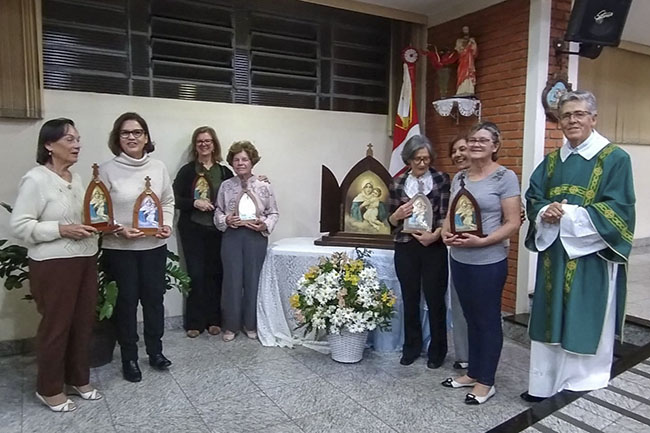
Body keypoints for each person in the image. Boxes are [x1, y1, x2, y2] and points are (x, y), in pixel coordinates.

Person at [521, 91, 635, 402]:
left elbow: (620, 209)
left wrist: (568, 214)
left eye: (579, 114)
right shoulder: (553, 160)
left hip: (591, 255)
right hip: (554, 254)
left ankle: (582, 381)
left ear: (593, 118)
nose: (572, 120)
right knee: (550, 317)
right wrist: (545, 211)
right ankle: (544, 383)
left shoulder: (614, 158)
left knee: (581, 315)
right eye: (566, 115)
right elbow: (534, 197)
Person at [11, 118, 102, 412]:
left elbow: (87, 216)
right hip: (53, 265)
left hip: (85, 259)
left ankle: (78, 379)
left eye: (78, 138)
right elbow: (21, 226)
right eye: (69, 139)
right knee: (56, 327)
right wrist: (61, 230)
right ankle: (48, 388)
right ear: (49, 145)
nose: (77, 144)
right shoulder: (36, 179)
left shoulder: (76, 179)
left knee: (83, 323)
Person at [441, 122, 521, 404]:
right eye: (472, 139)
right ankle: (472, 373)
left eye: (483, 140)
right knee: (470, 318)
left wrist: (483, 241)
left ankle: (487, 381)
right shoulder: (460, 177)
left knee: (487, 320)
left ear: (495, 146)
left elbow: (512, 223)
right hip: (460, 258)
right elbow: (452, 212)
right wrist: (445, 232)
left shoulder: (504, 177)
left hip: (488, 260)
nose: (475, 144)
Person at [99, 112, 175, 383]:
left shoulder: (158, 168)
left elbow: (167, 200)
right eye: (125, 133)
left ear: (146, 138)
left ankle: (155, 352)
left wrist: (165, 224)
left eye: (137, 132)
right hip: (120, 249)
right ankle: (129, 358)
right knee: (126, 304)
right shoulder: (106, 170)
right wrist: (119, 228)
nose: (131, 137)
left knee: (154, 301)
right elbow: (98, 211)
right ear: (117, 138)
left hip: (154, 246)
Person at [388, 134, 450, 369]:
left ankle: (438, 350)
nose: (422, 164)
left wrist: (435, 235)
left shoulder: (442, 179)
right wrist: (398, 216)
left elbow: (445, 213)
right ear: (408, 160)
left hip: (433, 245)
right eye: (417, 159)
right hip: (405, 246)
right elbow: (390, 220)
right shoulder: (397, 183)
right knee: (410, 298)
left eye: (426, 159)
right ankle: (411, 348)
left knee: (436, 300)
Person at [214, 140, 279, 342]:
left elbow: (274, 212)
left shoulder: (264, 186)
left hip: (255, 238)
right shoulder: (226, 186)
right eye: (236, 159)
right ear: (232, 163)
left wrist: (264, 225)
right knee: (232, 281)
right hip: (232, 237)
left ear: (252, 162)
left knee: (253, 280)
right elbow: (218, 211)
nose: (240, 163)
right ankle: (231, 325)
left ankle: (251, 323)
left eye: (244, 159)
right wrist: (226, 219)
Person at [172, 126, 233, 338]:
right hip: (193, 230)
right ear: (195, 145)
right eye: (200, 141)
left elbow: (237, 192)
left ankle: (214, 320)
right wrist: (194, 202)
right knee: (195, 275)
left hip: (218, 231)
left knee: (215, 275)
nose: (204, 144)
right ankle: (194, 322)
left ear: (214, 144)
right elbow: (174, 199)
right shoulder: (187, 171)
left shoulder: (224, 172)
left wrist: (259, 181)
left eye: (208, 141)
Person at [447, 135, 470, 371]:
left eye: (462, 149)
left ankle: (482, 359)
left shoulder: (498, 176)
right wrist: (445, 232)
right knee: (459, 305)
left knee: (480, 310)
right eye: (454, 151)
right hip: (458, 250)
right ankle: (463, 355)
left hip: (486, 253)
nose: (458, 154)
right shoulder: (458, 179)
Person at [454, 26, 478, 96]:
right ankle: (462, 89)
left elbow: (475, 52)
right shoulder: (459, 40)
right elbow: (459, 50)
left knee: (470, 72)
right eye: (464, 30)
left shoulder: (471, 40)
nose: (466, 31)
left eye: (467, 30)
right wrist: (467, 46)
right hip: (463, 60)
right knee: (462, 73)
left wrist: (473, 43)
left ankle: (469, 89)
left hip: (470, 60)